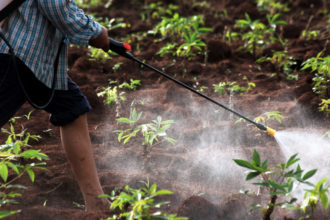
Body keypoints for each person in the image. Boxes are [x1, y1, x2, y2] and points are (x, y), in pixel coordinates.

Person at [0, 0, 110, 212]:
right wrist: (95, 32)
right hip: (16, 52)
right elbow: (55, 6)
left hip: (33, 56)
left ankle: (98, 203)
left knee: (71, 107)